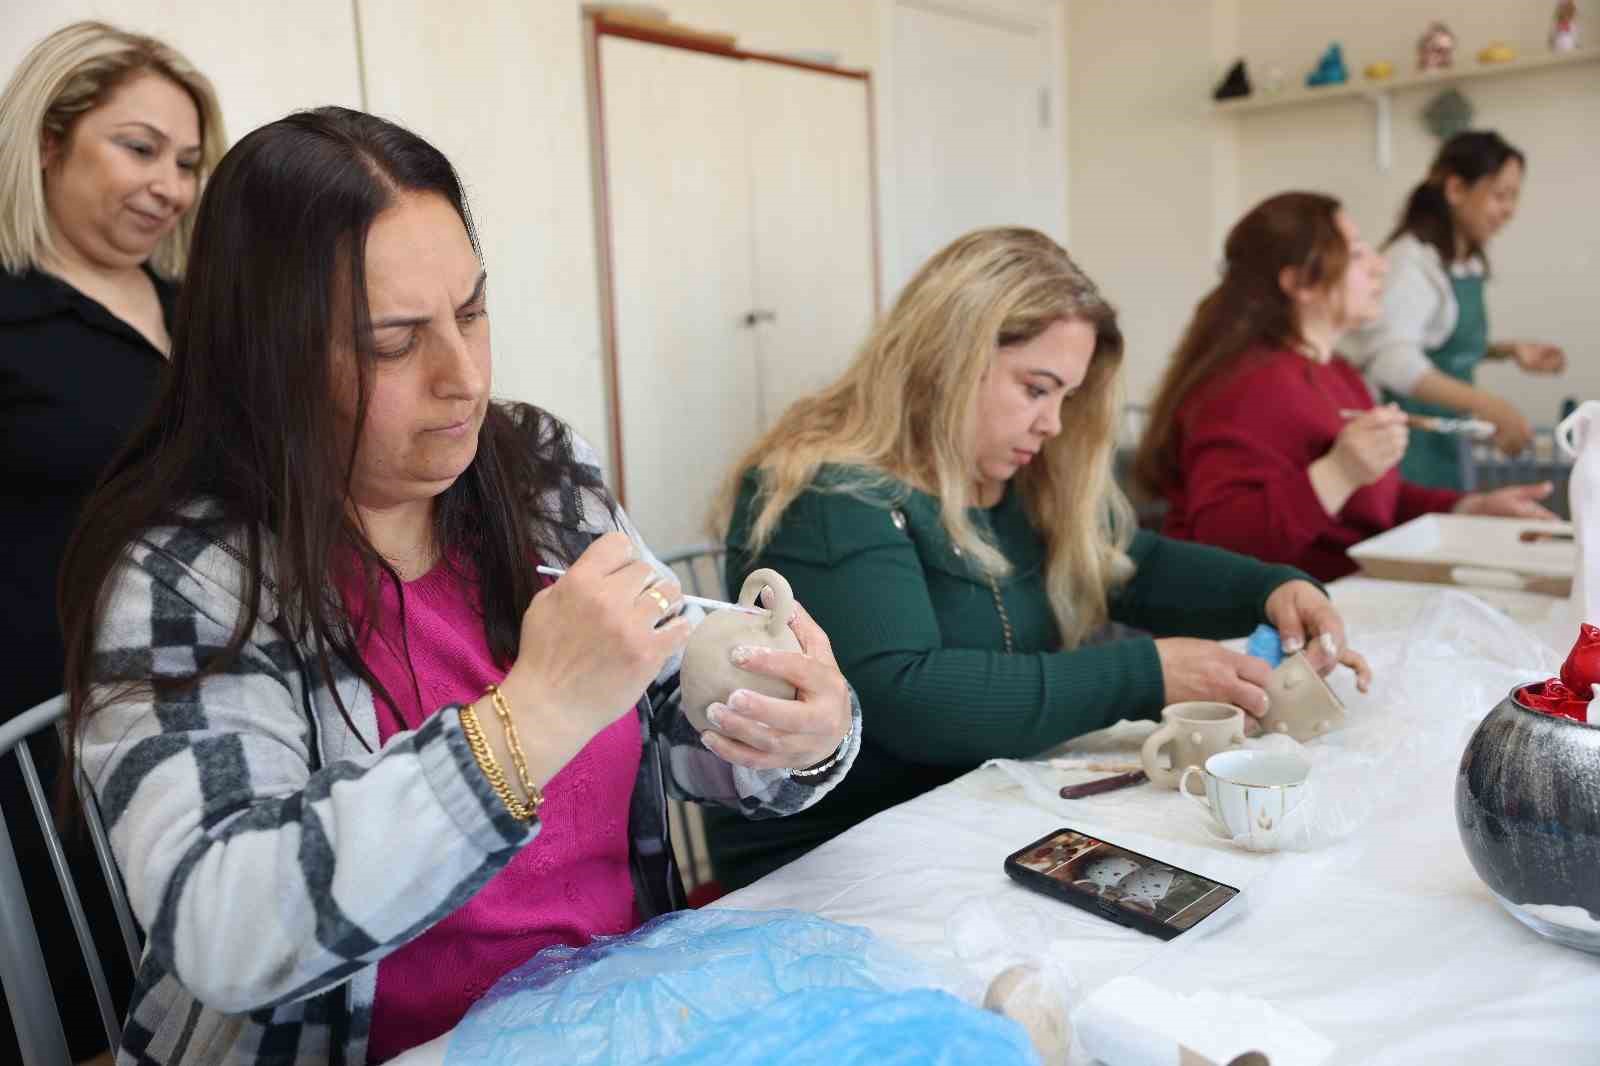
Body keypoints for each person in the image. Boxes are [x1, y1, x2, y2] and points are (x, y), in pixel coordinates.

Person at [55, 107, 859, 1065]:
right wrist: (525, 721)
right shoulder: (189, 579)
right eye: (395, 341)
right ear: (267, 355)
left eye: (471, 312)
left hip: (604, 1022)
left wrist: (793, 736)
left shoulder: (542, 473)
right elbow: (222, 932)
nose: (465, 378)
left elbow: (674, 729)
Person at [703, 227, 1367, 891]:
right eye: (1036, 388)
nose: (1052, 423)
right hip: (831, 869)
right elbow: (907, 696)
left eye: (1065, 397)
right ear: (947, 360)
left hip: (968, 822)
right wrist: (1147, 672)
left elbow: (1129, 563)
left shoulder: (1007, 482)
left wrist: (1275, 589)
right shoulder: (827, 494)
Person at [0, 21, 224, 1064]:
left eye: (185, 162)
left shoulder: (200, 319)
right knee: (91, 1008)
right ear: (49, 140)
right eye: (138, 149)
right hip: (47, 746)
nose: (171, 187)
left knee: (213, 995)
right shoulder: (10, 318)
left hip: (206, 707)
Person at [1135, 192, 1553, 584]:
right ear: (1300, 283)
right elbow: (1222, 542)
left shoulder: (1340, 372)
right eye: (1355, 254)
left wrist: (1469, 508)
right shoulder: (1246, 386)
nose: (1380, 265)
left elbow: (1374, 502)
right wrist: (1338, 472)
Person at [1342, 131, 1566, 488]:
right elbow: (1391, 361)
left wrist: (1507, 351)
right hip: (1404, 450)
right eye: (1500, 195)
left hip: (1445, 444)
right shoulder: (1409, 264)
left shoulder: (1465, 264)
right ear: (1456, 190)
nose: (1509, 210)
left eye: (1514, 197)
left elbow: (1436, 339)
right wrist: (1490, 405)